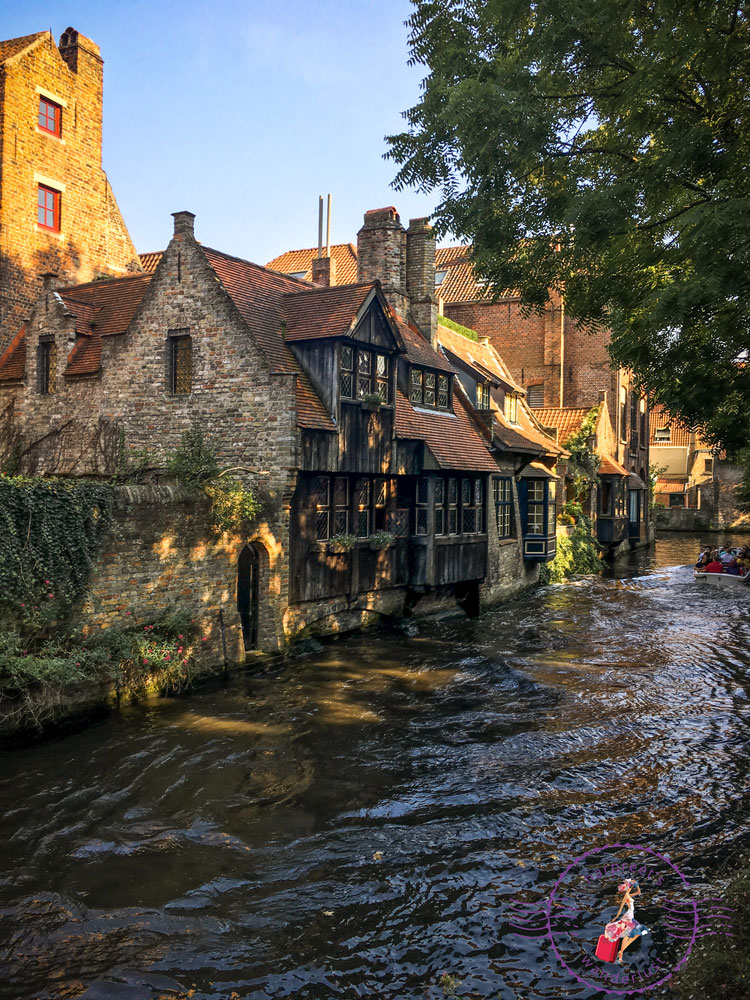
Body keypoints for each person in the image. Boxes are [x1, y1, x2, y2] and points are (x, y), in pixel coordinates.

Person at [604, 879, 649, 963]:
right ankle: (621, 952)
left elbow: (639, 892)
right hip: (628, 916)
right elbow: (621, 908)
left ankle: (621, 951)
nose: (630, 889)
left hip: (630, 915)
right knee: (632, 932)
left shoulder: (628, 895)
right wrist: (616, 917)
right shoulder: (626, 896)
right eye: (629, 887)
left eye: (630, 887)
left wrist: (637, 885)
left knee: (634, 933)